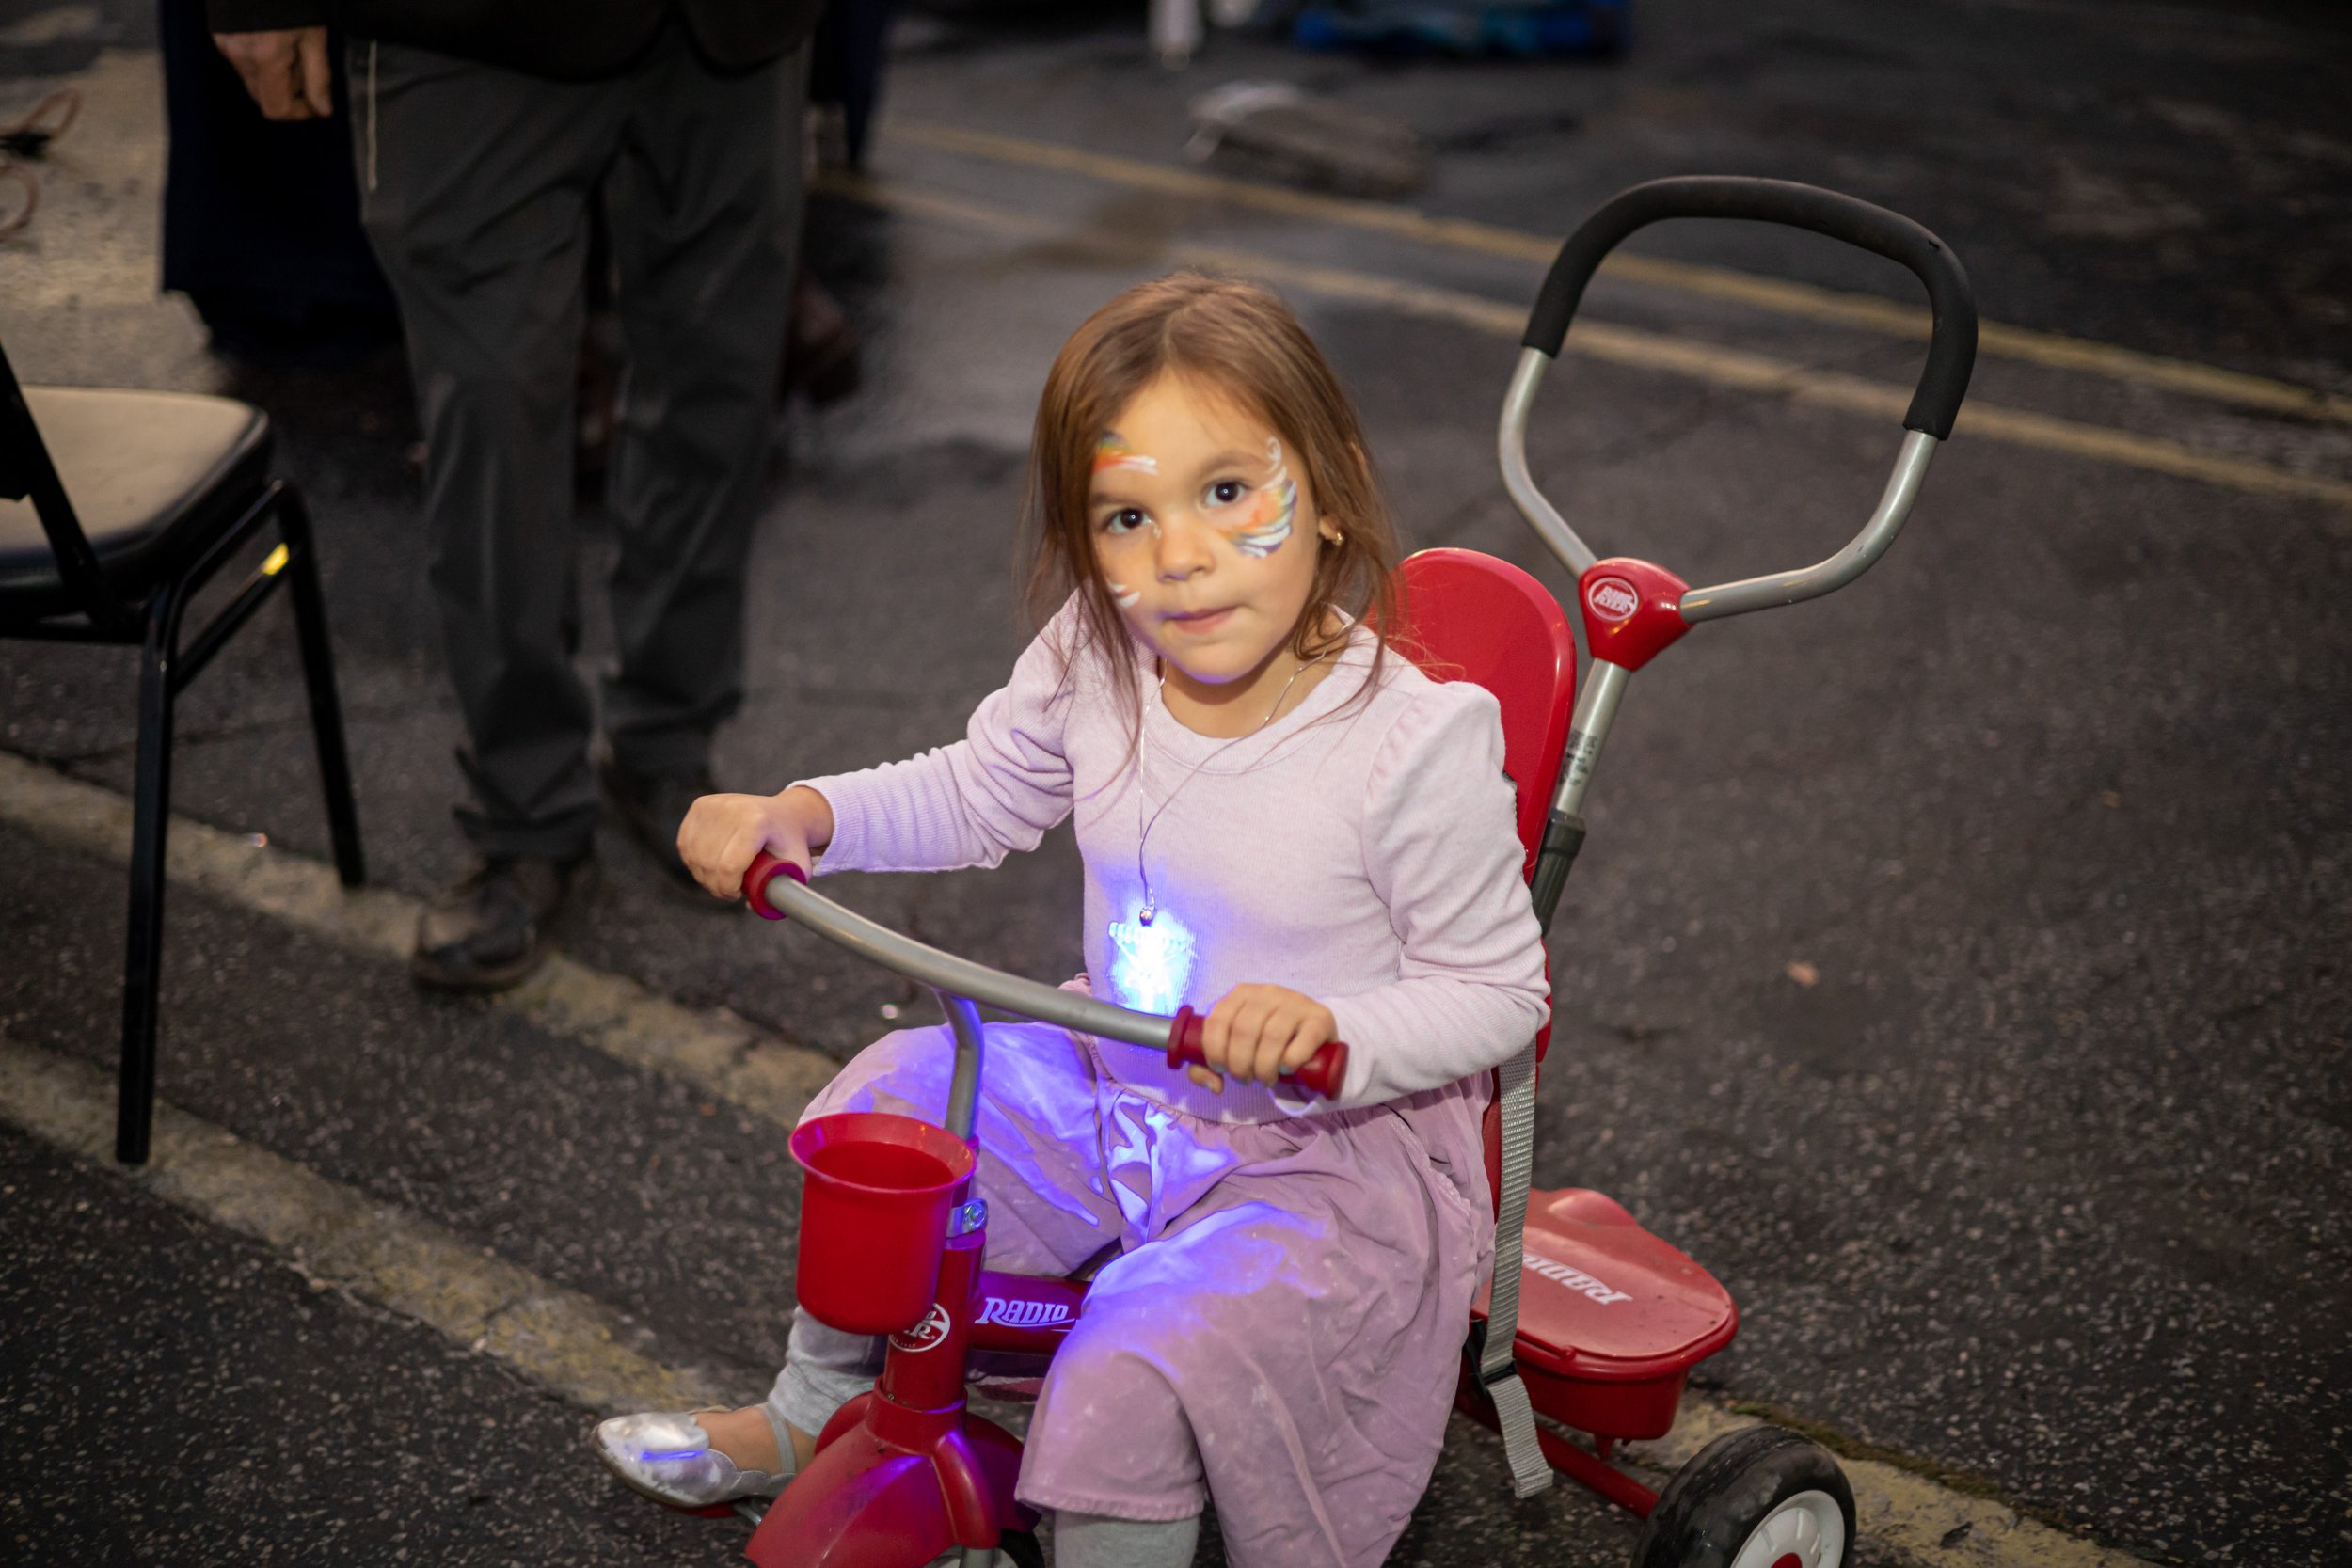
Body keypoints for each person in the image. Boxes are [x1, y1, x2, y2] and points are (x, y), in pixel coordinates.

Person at [593, 274, 1549, 1568]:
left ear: (1327, 492)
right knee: (893, 1108)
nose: (1179, 554)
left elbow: (1499, 993)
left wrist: (1336, 1027)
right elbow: (980, 787)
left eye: (1227, 492)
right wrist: (809, 810)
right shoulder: (1100, 650)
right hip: (1121, 1083)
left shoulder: (1411, 742)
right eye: (1125, 514)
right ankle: (814, 1409)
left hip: (1324, 1158)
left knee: (1127, 1363)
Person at [206, 0, 825, 989]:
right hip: (462, 30)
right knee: (491, 422)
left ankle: (667, 745)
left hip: (733, 28)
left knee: (721, 386)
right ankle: (523, 810)